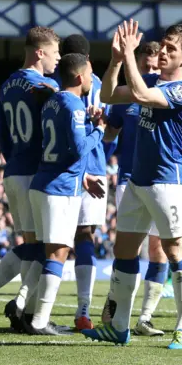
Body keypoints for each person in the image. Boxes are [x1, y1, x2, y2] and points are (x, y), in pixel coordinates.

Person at [82, 20, 182, 350]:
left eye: (171, 49)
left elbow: (141, 95)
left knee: (175, 251)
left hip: (169, 181)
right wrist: (118, 59)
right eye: (163, 45)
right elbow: (108, 94)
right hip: (138, 180)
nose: (163, 52)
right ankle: (119, 326)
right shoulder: (148, 78)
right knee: (123, 251)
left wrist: (131, 56)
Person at [0, 26, 61, 333]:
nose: (58, 60)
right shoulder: (44, 86)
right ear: (39, 52)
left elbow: (3, 136)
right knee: (45, 247)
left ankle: (12, 307)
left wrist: (15, 161)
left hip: (14, 170)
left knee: (32, 245)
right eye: (55, 53)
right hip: (35, 172)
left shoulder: (7, 85)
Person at [25, 53, 107, 335]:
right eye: (89, 74)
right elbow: (79, 148)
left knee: (45, 251)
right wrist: (99, 129)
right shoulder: (73, 104)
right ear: (80, 77)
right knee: (58, 253)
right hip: (59, 190)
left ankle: (27, 311)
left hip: (42, 183)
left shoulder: (51, 101)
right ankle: (39, 321)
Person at [57, 34, 110, 331]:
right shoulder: (100, 84)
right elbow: (111, 125)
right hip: (94, 163)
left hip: (59, 166)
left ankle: (35, 309)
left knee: (53, 239)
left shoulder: (55, 82)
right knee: (85, 236)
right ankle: (83, 310)